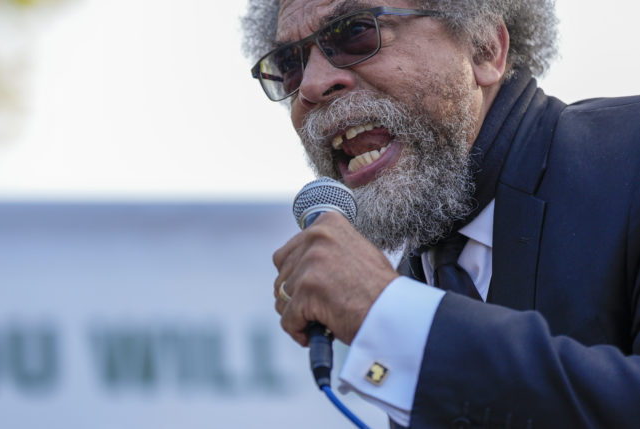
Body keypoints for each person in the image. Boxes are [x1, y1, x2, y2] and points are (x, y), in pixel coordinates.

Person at [243, 0, 640, 427]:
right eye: (290, 64)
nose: (312, 86)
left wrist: (391, 314)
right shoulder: (418, 275)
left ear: (484, 47)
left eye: (354, 32)